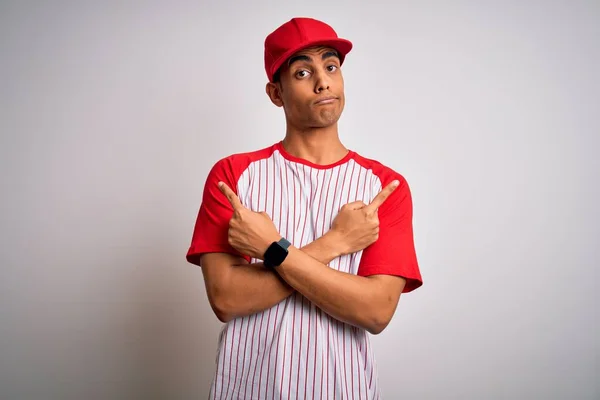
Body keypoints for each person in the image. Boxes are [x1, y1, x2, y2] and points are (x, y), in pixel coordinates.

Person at [186, 16, 423, 399]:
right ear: (275, 93)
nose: (323, 81)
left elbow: (376, 311)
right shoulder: (233, 175)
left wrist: (271, 250)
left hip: (343, 390)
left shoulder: (385, 187)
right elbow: (227, 299)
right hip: (248, 390)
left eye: (330, 66)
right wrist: (336, 242)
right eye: (302, 72)